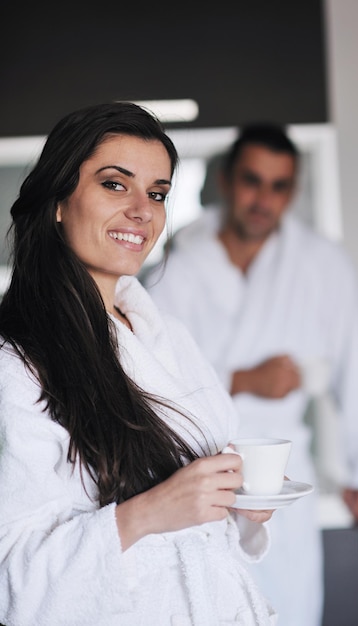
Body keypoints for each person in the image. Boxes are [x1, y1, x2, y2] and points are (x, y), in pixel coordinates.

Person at [0, 103, 280, 626]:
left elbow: (204, 508)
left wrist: (239, 503)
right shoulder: (17, 362)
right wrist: (152, 512)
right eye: (114, 184)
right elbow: (13, 579)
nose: (142, 211)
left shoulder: (169, 337)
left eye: (157, 193)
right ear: (59, 200)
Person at [144, 123, 358, 626]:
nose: (263, 199)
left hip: (279, 473)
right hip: (192, 467)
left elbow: (355, 366)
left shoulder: (323, 265)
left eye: (279, 187)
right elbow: (146, 369)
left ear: (292, 192)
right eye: (253, 181)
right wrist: (240, 378)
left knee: (288, 607)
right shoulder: (180, 262)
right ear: (230, 182)